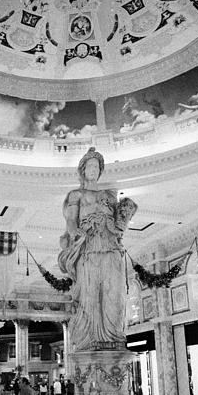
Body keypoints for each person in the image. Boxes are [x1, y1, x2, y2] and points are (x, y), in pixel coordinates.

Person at [58, 147, 137, 352]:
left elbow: (119, 225)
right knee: (89, 295)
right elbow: (70, 222)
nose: (93, 169)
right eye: (90, 166)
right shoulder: (76, 195)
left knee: (114, 294)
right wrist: (78, 233)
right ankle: (90, 338)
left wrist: (120, 218)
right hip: (88, 249)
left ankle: (113, 336)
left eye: (97, 166)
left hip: (110, 248)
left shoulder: (109, 195)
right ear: (83, 170)